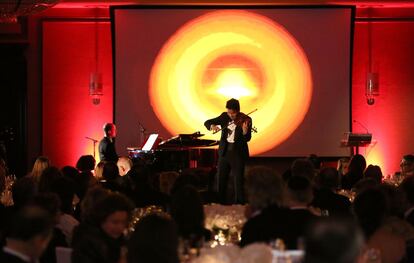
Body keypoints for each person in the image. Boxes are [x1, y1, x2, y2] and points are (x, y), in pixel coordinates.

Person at [204, 98, 252, 204]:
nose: (231, 115)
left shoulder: (246, 119)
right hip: (224, 153)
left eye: (233, 113)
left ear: (238, 111)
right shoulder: (223, 116)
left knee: (238, 181)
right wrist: (212, 126)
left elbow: (247, 138)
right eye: (229, 113)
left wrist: (244, 132)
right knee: (221, 180)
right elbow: (207, 122)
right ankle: (221, 204)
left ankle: (239, 205)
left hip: (238, 154)